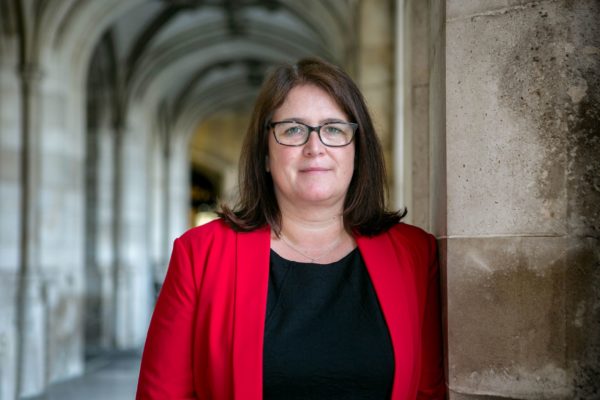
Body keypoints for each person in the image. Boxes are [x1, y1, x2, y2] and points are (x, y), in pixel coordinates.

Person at [136, 58, 445, 399]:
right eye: (293, 130)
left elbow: (428, 392)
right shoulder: (200, 254)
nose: (315, 148)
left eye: (334, 129)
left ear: (358, 150)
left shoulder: (416, 254)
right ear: (265, 155)